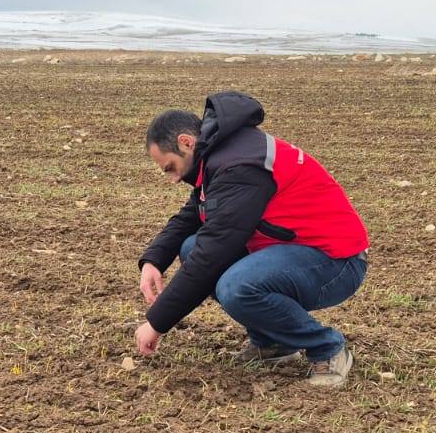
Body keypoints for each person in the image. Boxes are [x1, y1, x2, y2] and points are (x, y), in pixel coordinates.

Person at [133, 91, 369, 387]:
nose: (173, 178)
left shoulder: (240, 167)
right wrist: (153, 260)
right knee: (192, 248)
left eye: (170, 167)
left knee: (236, 285)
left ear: (186, 142)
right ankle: (274, 342)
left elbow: (214, 252)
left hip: (336, 261)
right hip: (296, 250)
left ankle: (327, 347)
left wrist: (156, 322)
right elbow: (194, 213)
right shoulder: (223, 157)